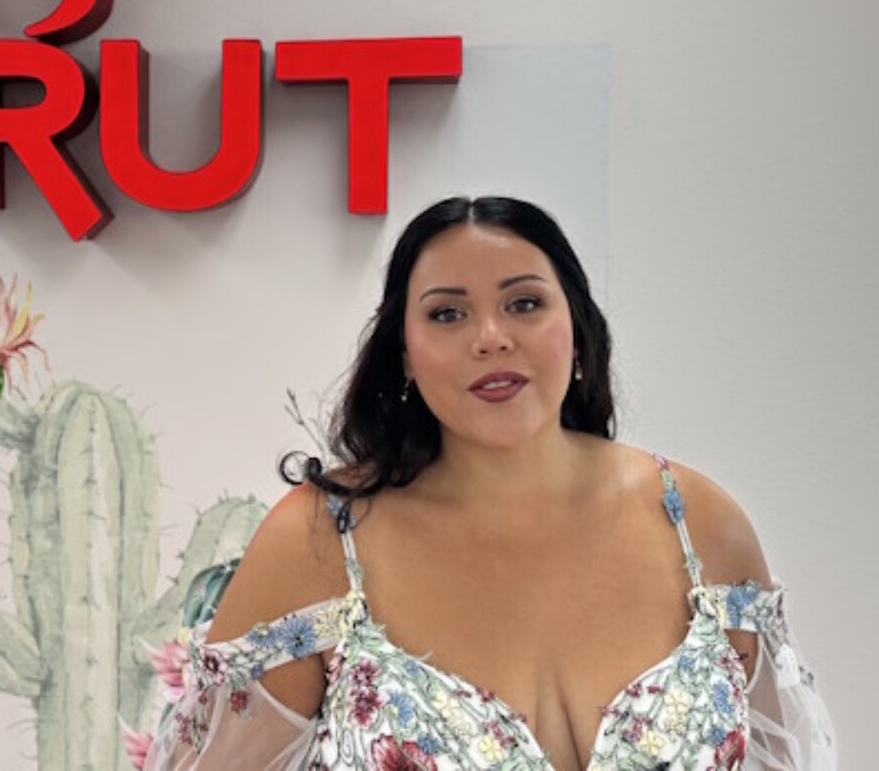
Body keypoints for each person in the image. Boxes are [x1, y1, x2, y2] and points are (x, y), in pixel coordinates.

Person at [144, 196, 836, 770]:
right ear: (405, 355)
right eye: (447, 313)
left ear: (577, 329)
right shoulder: (321, 542)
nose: (490, 337)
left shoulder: (699, 523)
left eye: (525, 304)